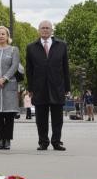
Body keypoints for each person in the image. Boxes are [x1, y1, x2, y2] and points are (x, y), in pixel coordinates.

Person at [26, 20, 70, 151]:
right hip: (39, 88)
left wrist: (67, 88)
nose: (45, 30)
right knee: (41, 118)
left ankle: (56, 141)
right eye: (42, 28)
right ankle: (43, 142)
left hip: (57, 87)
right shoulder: (31, 47)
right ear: (39, 30)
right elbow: (29, 70)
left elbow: (65, 68)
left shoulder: (61, 45)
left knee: (57, 118)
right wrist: (30, 88)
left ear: (51, 30)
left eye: (47, 28)